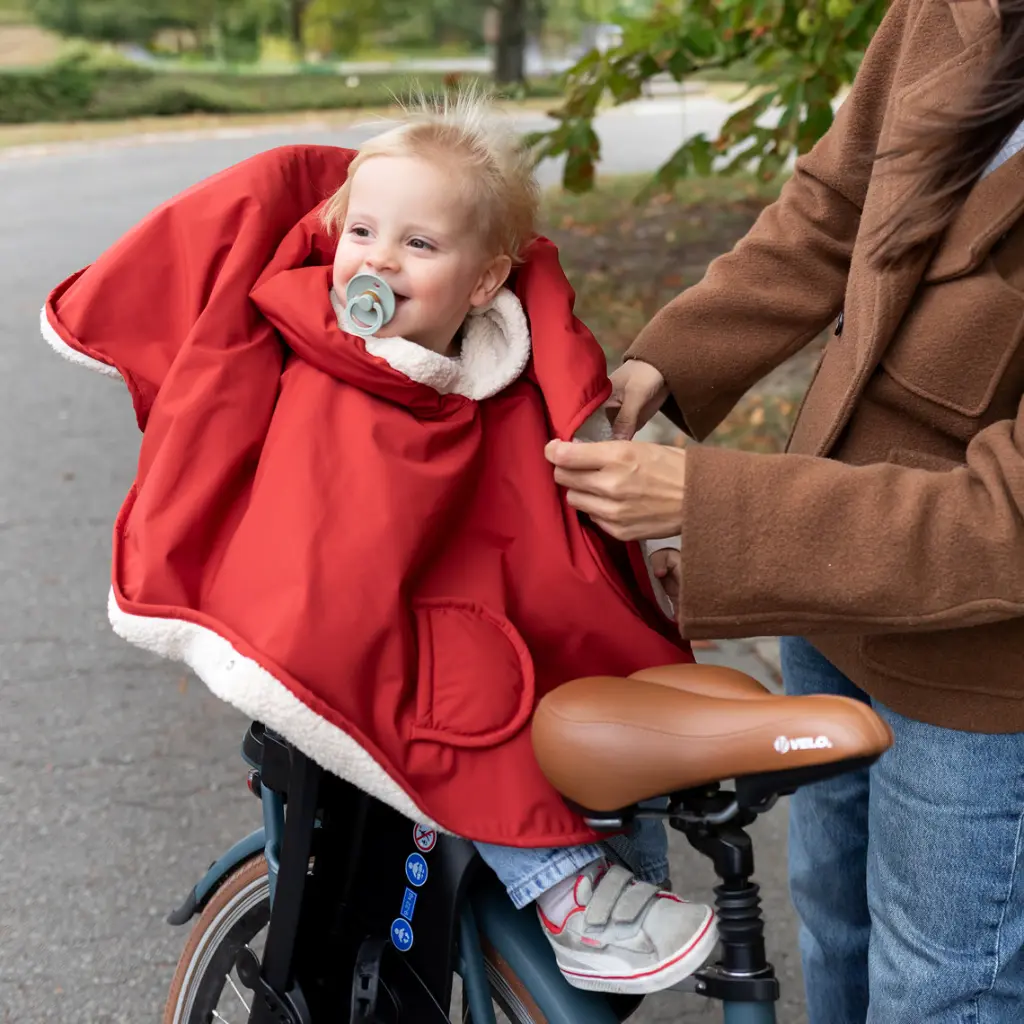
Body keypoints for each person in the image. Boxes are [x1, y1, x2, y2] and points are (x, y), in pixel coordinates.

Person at [40, 91, 716, 995]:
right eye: (361, 233)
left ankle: (606, 879)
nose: (379, 261)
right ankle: (562, 884)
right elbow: (318, 515)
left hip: (488, 600)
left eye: (419, 245)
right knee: (466, 709)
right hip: (359, 615)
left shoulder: (507, 370)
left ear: (485, 282)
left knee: (594, 671)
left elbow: (536, 512)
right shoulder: (316, 354)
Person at [544, 0, 1024, 1020]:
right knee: (835, 932)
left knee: (941, 989)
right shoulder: (946, 13)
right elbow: (831, 208)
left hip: (980, 679)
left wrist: (709, 504)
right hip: (829, 601)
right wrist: (663, 362)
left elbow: (1010, 519)